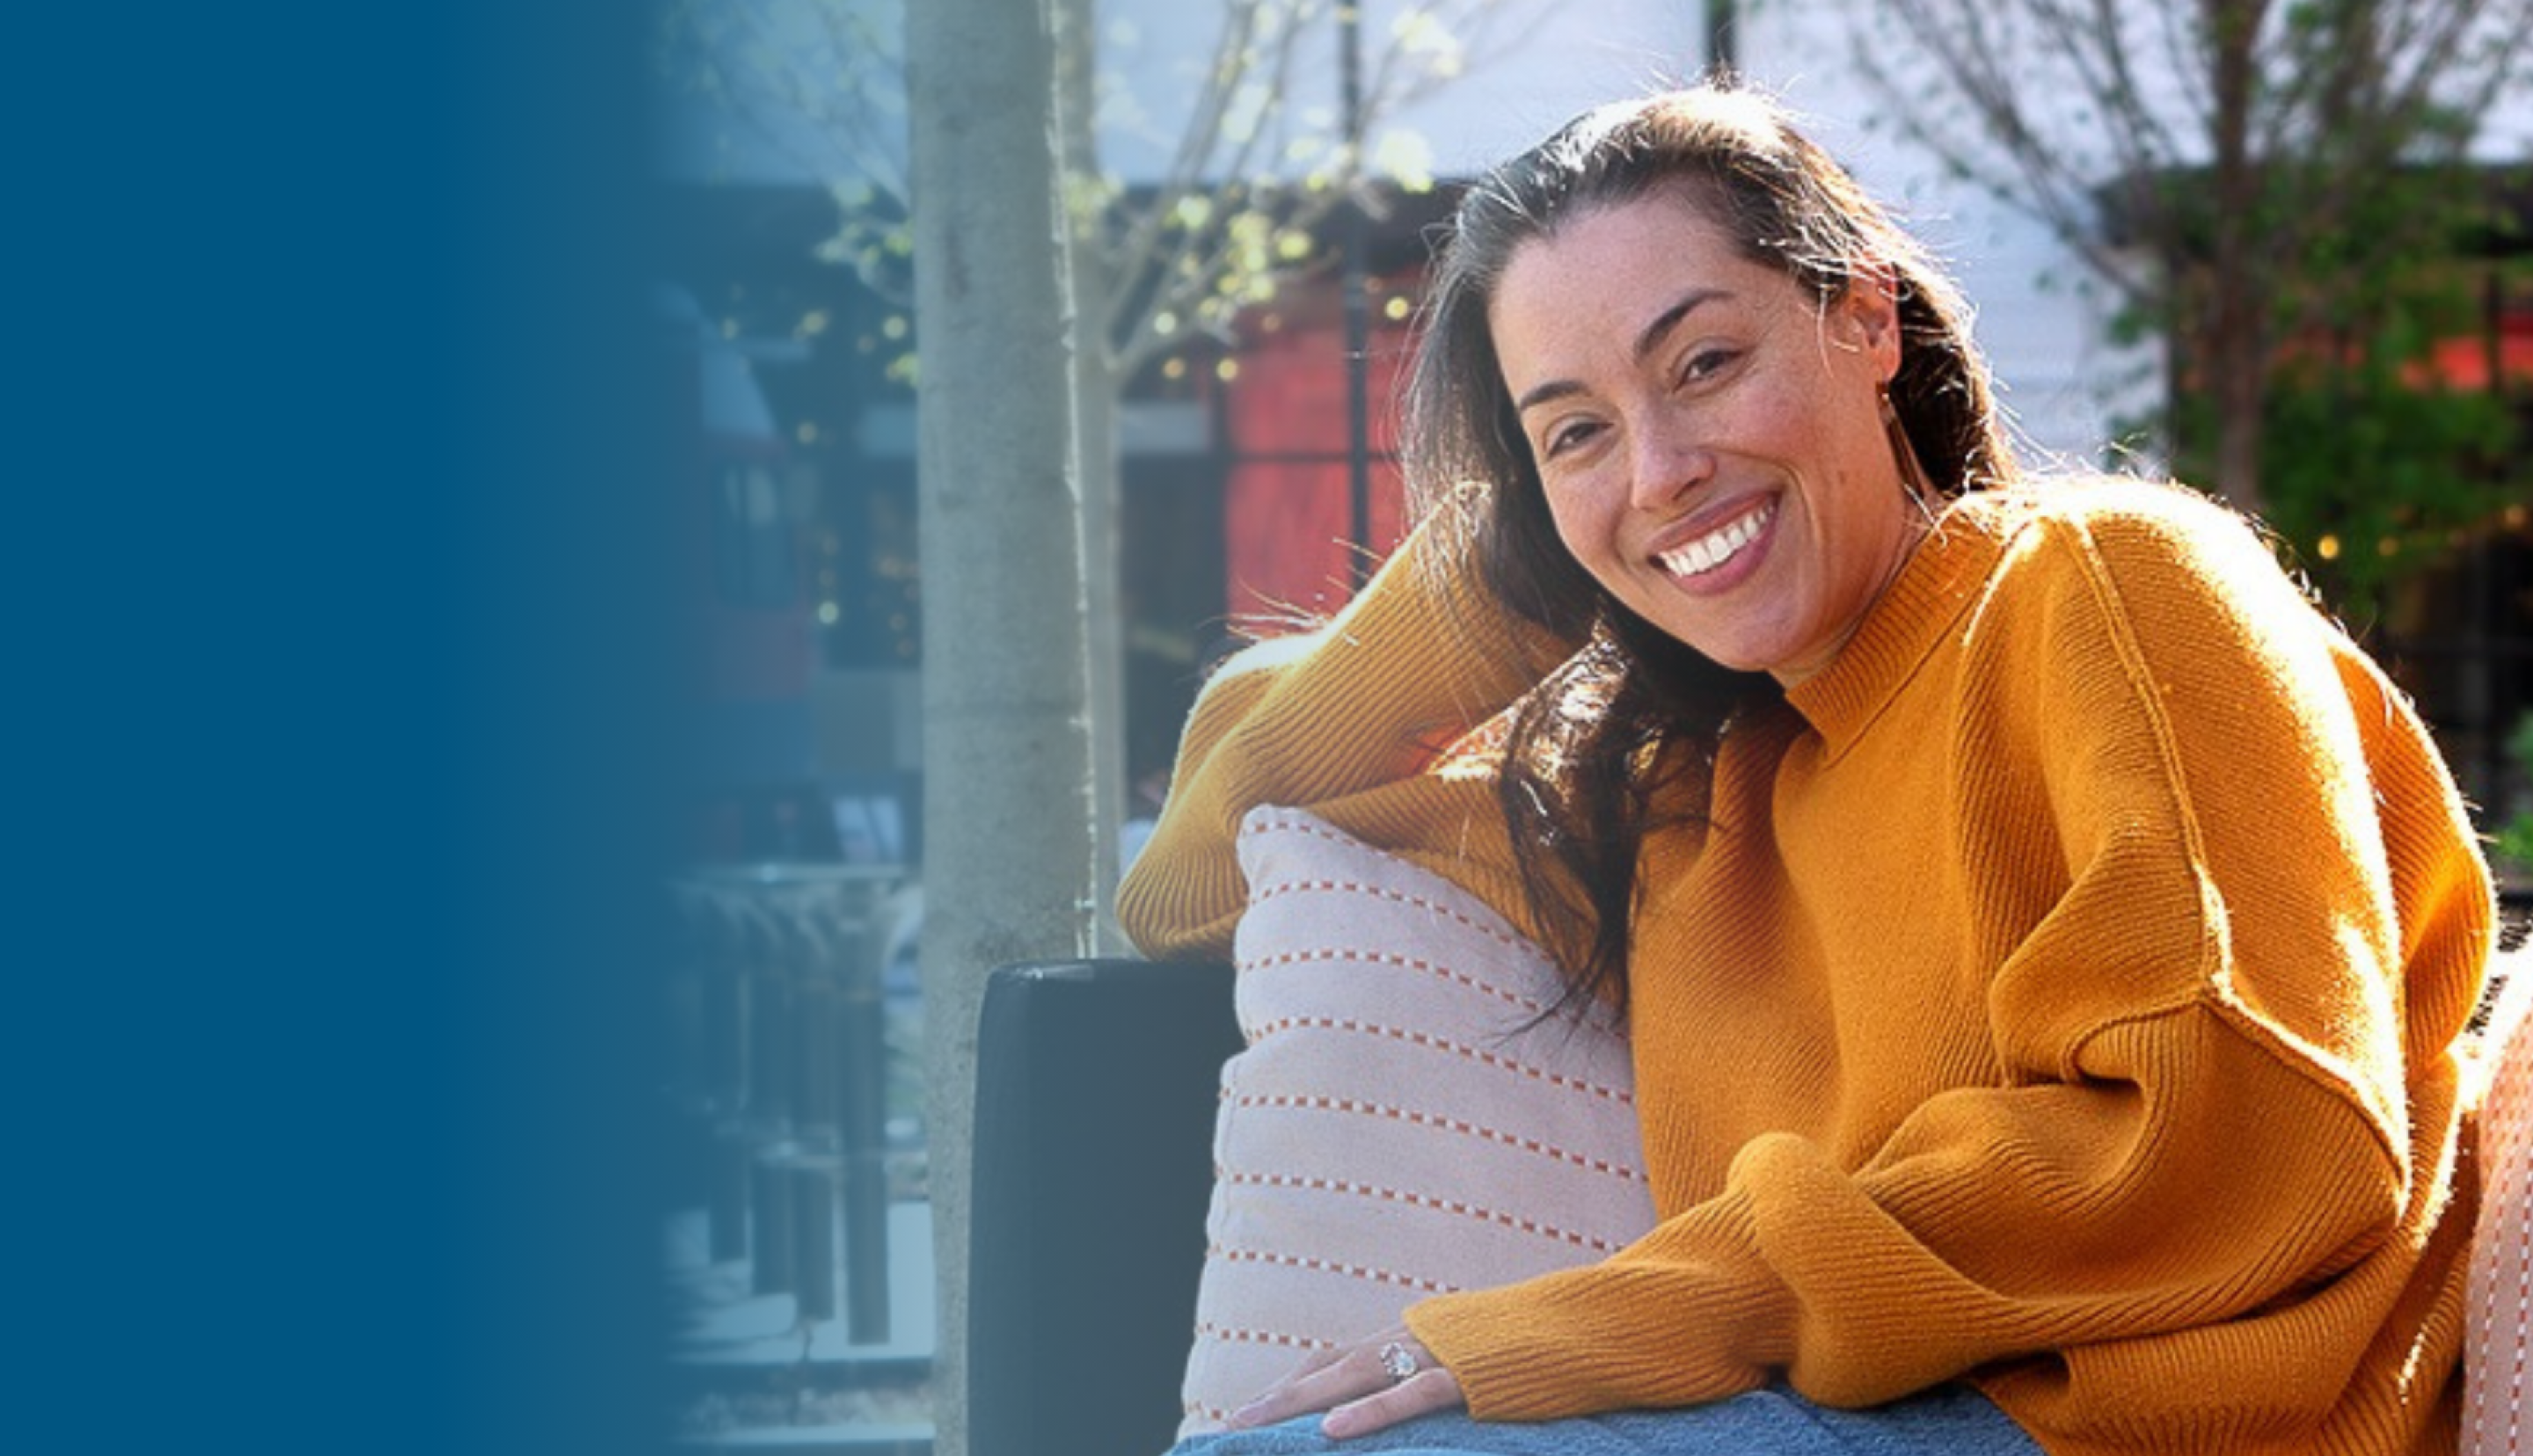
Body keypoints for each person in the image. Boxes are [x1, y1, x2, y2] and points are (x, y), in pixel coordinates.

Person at [1117, 82, 2497, 1456]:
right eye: (1575, 427)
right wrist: (1521, 576)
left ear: (1865, 319)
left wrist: (1629, 1315)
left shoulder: (2103, 585)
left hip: (2138, 1424)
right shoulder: (1683, 803)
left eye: (1704, 362)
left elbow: (2260, 1132)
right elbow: (1194, 882)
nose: (1661, 463)